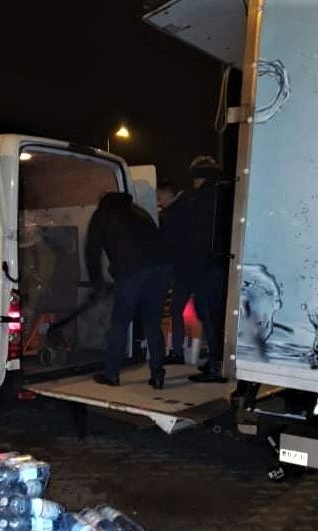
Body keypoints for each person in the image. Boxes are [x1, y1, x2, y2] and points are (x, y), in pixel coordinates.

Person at [85, 192, 169, 389]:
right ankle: (157, 375)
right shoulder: (139, 212)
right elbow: (157, 239)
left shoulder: (102, 215)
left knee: (120, 323)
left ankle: (112, 374)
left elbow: (92, 252)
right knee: (152, 323)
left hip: (132, 272)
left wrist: (97, 284)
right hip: (161, 270)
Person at [184, 155, 234, 383]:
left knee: (209, 314)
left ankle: (216, 364)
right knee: (216, 315)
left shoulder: (203, 197)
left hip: (206, 266)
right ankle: (217, 360)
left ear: (199, 177)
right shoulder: (224, 193)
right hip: (220, 264)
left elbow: (196, 237)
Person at [157, 178, 193, 364]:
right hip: (191, 267)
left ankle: (176, 352)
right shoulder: (189, 208)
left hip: (181, 269)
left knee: (175, 309)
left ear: (168, 194)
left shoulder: (171, 215)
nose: (159, 201)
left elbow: (168, 244)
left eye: (160, 196)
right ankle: (178, 351)